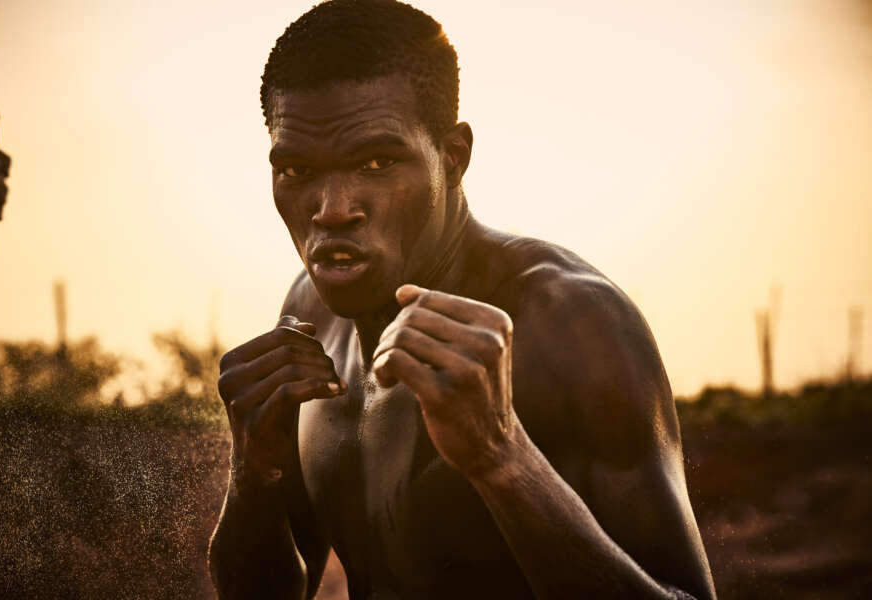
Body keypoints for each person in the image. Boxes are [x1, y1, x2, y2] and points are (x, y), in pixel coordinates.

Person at [208, 1, 716, 598]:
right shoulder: (310, 315)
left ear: (452, 157)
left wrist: (502, 457)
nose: (333, 209)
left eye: (377, 162)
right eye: (297, 170)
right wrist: (252, 476)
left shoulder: (573, 321)